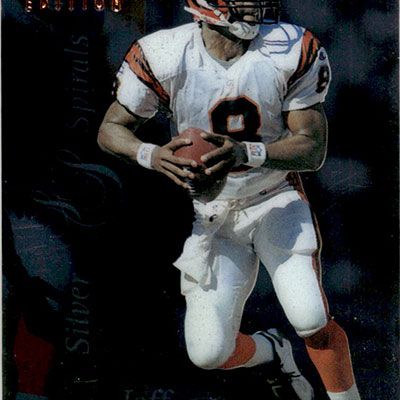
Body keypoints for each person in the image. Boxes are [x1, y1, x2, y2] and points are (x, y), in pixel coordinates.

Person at [98, 1, 361, 399]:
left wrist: (246, 153)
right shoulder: (165, 54)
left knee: (310, 316)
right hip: (214, 213)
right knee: (208, 352)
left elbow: (312, 148)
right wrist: (151, 155)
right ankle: (272, 353)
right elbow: (110, 129)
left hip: (274, 196)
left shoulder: (288, 48)